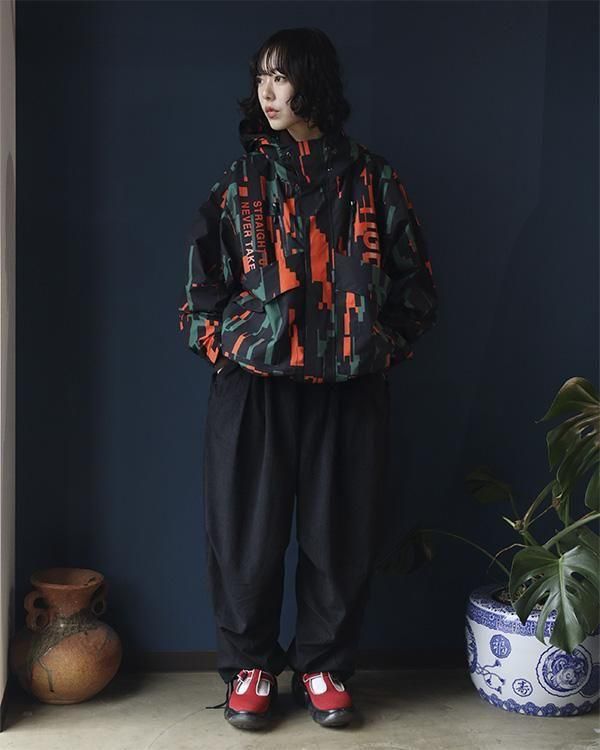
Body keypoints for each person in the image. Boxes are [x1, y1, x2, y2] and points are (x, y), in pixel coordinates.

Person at [178, 27, 438, 732]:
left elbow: (416, 286)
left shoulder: (373, 179)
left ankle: (325, 666)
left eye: (281, 77)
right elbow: (200, 290)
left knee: (342, 533)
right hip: (254, 386)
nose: (267, 92)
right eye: (260, 78)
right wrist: (224, 347)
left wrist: (376, 346)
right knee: (244, 536)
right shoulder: (240, 182)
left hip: (349, 388)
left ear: (312, 83)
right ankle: (251, 668)